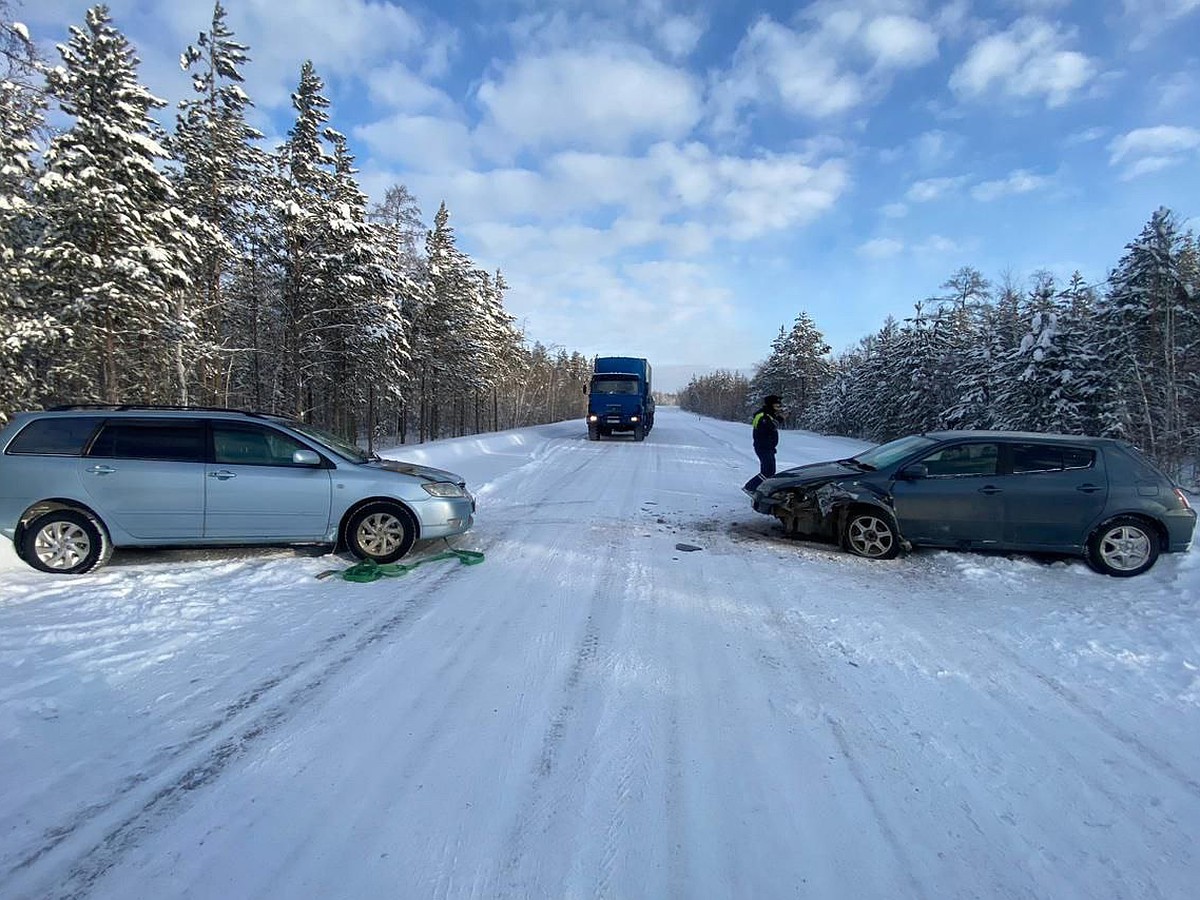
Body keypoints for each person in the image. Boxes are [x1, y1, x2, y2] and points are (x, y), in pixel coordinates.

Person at [742, 394, 783, 495]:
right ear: (771, 405)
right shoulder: (762, 415)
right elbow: (767, 428)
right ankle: (750, 487)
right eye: (777, 406)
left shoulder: (769, 414)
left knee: (769, 471)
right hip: (763, 447)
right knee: (768, 471)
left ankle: (760, 489)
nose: (779, 408)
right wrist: (780, 419)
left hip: (768, 447)